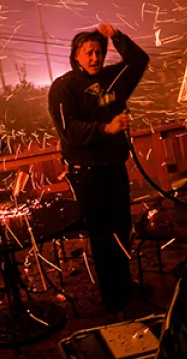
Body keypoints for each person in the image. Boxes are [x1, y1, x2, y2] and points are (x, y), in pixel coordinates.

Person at [48, 23, 149, 313]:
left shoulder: (113, 78)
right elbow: (69, 130)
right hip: (87, 174)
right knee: (103, 235)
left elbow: (139, 60)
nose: (95, 58)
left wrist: (116, 37)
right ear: (76, 56)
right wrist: (107, 127)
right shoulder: (64, 87)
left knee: (122, 229)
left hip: (114, 168)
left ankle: (124, 284)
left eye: (99, 52)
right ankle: (113, 299)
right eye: (88, 52)